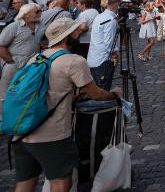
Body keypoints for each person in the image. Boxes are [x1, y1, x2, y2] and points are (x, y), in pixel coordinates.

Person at [10, 18, 121, 192]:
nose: (79, 33)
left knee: (25, 183)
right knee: (61, 183)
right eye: (75, 31)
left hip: (23, 132)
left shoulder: (36, 58)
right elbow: (95, 94)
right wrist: (113, 93)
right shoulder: (73, 61)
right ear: (67, 36)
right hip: (52, 135)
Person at [0, 3, 41, 122]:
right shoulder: (13, 27)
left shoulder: (40, 26)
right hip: (14, 66)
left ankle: (18, 120)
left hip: (32, 67)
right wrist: (11, 62)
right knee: (5, 93)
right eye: (37, 12)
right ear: (26, 14)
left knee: (25, 93)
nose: (40, 13)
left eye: (40, 11)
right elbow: (1, 46)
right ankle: (3, 120)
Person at [86, 0, 120, 91]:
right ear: (116, 5)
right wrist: (115, 55)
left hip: (94, 58)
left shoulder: (99, 16)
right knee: (103, 89)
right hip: (103, 60)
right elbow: (109, 43)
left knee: (97, 89)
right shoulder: (110, 20)